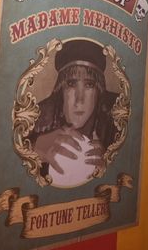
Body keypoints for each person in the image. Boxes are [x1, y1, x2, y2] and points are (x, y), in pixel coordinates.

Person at [30, 39, 118, 181]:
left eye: (89, 85)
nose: (79, 100)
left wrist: (111, 164)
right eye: (71, 84)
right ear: (60, 89)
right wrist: (34, 148)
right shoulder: (36, 118)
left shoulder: (116, 119)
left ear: (99, 91)